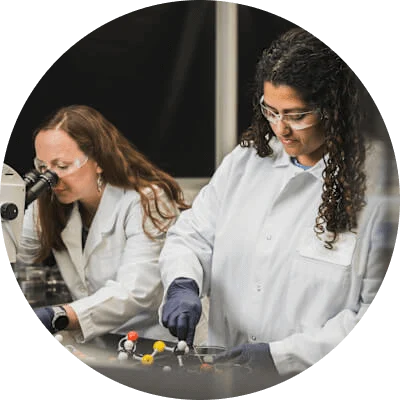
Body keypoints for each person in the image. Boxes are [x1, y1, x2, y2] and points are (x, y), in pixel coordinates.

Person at [158, 27, 398, 382]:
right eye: (271, 111)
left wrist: (281, 357)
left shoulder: (381, 186)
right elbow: (191, 237)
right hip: (226, 375)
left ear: (336, 108)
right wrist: (182, 283)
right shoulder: (247, 162)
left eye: (297, 115)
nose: (281, 129)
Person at [15, 104, 190, 344]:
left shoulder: (145, 200)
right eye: (43, 168)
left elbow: (135, 292)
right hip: (100, 343)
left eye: (62, 166)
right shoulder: (51, 201)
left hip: (156, 340)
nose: (52, 178)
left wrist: (59, 315)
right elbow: (16, 249)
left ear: (98, 160)